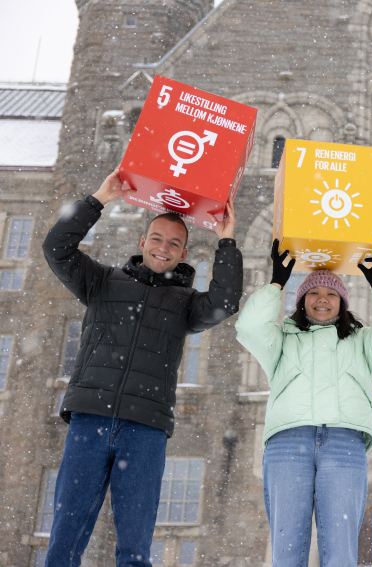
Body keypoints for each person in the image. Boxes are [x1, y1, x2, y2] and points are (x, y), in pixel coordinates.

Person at [41, 167, 243, 567]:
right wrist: (98, 199)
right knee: (65, 538)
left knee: (134, 547)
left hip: (145, 430)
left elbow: (224, 301)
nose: (163, 247)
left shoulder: (187, 305)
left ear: (184, 253)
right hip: (90, 422)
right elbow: (56, 248)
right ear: (142, 241)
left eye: (174, 243)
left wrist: (227, 241)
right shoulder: (101, 282)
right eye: (156, 238)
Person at [234, 242, 372, 567]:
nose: (322, 299)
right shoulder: (282, 340)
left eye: (330, 294)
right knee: (288, 548)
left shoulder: (360, 342)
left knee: (340, 550)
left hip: (344, 445)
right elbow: (248, 328)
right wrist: (276, 282)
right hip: (288, 443)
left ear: (342, 303)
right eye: (313, 292)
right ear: (302, 301)